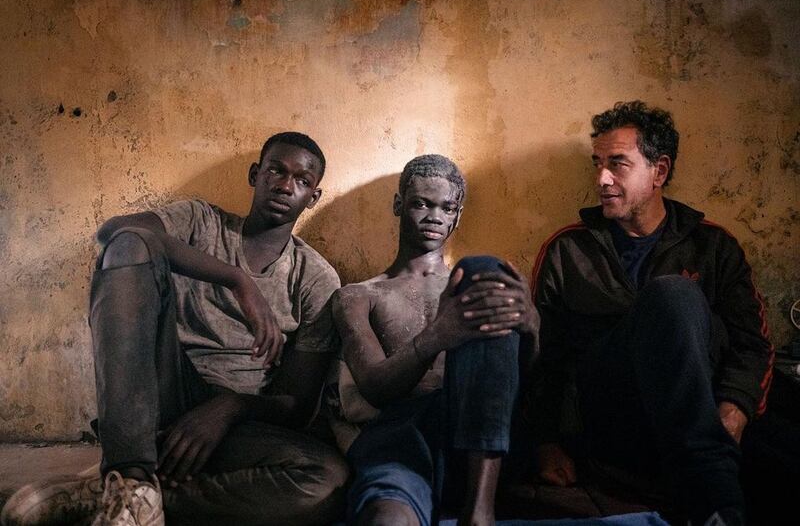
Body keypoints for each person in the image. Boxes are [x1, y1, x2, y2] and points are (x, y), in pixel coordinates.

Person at [1, 132, 348, 526]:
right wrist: (238, 280)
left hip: (236, 424)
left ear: (313, 197)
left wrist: (229, 408)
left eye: (302, 181)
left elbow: (298, 405)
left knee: (327, 481)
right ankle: (131, 473)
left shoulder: (315, 278)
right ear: (256, 175)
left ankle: (126, 496)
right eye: (276, 171)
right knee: (129, 251)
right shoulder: (201, 222)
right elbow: (115, 234)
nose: (286, 185)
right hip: (160, 397)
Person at [525, 101, 773, 524]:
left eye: (618, 164)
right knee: (672, 296)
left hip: (696, 415)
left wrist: (735, 409)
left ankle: (711, 502)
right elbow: (543, 357)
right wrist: (545, 442)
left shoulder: (712, 246)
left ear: (659, 171)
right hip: (610, 417)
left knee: (675, 298)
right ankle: (716, 499)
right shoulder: (568, 249)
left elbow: (753, 343)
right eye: (597, 164)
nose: (602, 179)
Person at [331, 154, 538, 526]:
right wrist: (438, 336)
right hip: (402, 438)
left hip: (479, 445)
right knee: (387, 520)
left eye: (447, 207)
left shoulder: (476, 287)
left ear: (457, 215)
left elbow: (526, 384)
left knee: (483, 269)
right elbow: (375, 388)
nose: (434, 216)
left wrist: (532, 325)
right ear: (398, 205)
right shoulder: (359, 295)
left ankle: (479, 511)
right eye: (421, 203)